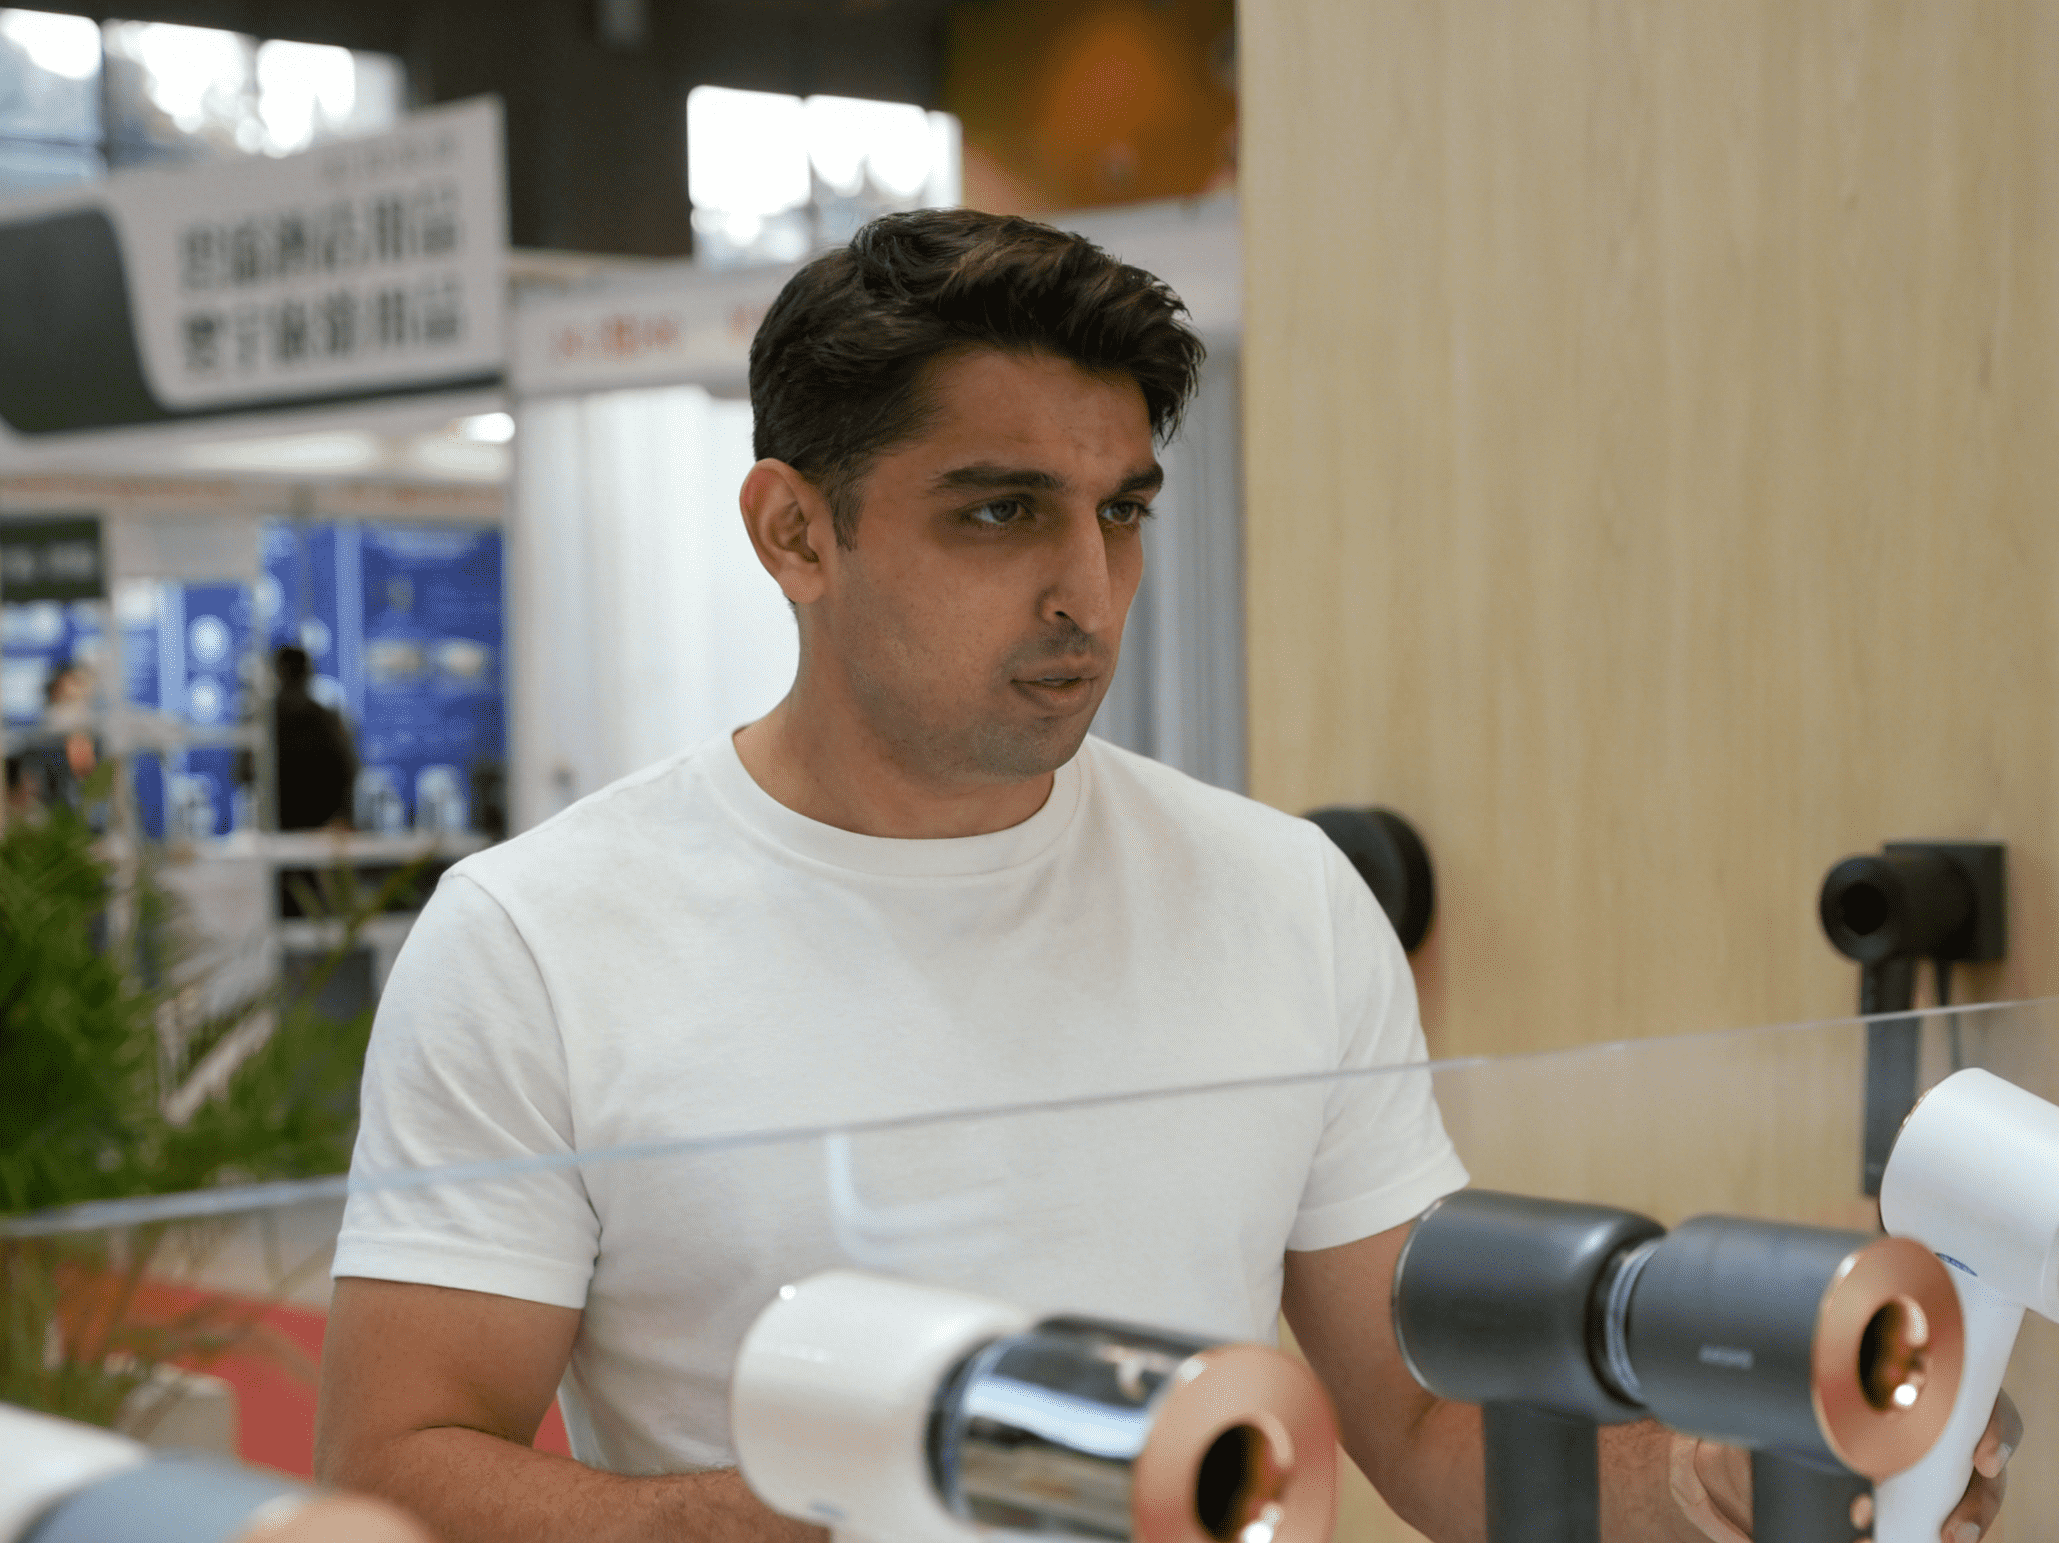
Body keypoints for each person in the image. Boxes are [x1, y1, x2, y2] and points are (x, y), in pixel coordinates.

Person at [313, 211, 2016, 1543]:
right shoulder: (541, 936)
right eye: (998, 513)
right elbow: (397, 1467)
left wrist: (1712, 1484)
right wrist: (823, 1511)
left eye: (1118, 510)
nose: (1086, 589)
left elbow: (1424, 1423)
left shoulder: (1278, 894)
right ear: (794, 532)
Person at [271, 645, 357, 831]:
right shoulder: (326, 718)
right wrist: (342, 815)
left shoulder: (266, 723)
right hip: (320, 826)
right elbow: (349, 768)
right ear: (307, 674)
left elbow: (243, 772)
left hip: (282, 825)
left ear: (277, 674)